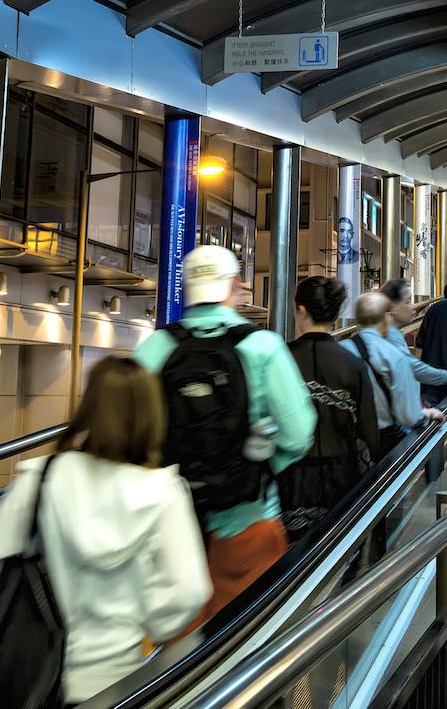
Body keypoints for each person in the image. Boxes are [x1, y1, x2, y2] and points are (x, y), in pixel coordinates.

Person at [0, 356, 211, 705]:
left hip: (29, 678)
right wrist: (145, 621)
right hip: (117, 680)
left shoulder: (42, 479)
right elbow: (188, 591)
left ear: (90, 408)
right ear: (153, 414)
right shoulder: (164, 494)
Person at [135, 245, 315, 632]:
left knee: (175, 648)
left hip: (168, 524)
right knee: (246, 640)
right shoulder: (262, 346)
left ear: (187, 289)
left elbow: (126, 434)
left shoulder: (155, 348)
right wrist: (263, 459)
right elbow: (299, 436)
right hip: (247, 517)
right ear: (235, 284)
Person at [279, 277, 381, 542]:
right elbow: (369, 431)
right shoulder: (352, 363)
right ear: (336, 314)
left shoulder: (281, 358)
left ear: (300, 309)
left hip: (291, 475)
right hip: (342, 474)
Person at [345, 292, 444, 454]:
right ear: (386, 318)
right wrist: (424, 414)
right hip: (383, 439)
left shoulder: (341, 349)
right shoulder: (395, 355)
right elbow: (409, 416)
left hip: (349, 440)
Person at [381, 278, 447, 407]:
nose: (413, 306)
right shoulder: (389, 339)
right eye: (408, 301)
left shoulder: (391, 334)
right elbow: (415, 368)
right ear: (393, 308)